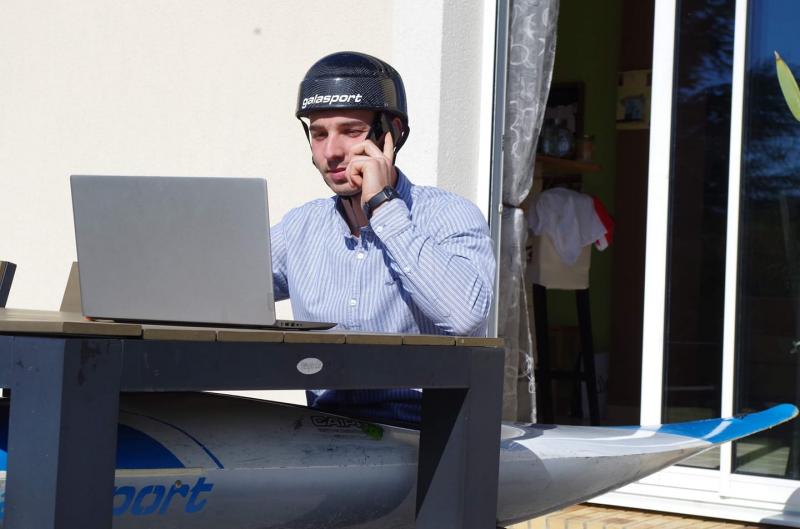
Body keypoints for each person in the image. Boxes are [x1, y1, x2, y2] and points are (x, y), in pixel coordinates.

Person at [270, 51, 495, 423]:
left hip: (428, 434)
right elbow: (222, 290)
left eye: (350, 131)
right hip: (327, 431)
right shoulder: (300, 227)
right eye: (319, 134)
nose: (331, 152)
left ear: (392, 133)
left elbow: (466, 317)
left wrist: (385, 209)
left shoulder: (449, 215)